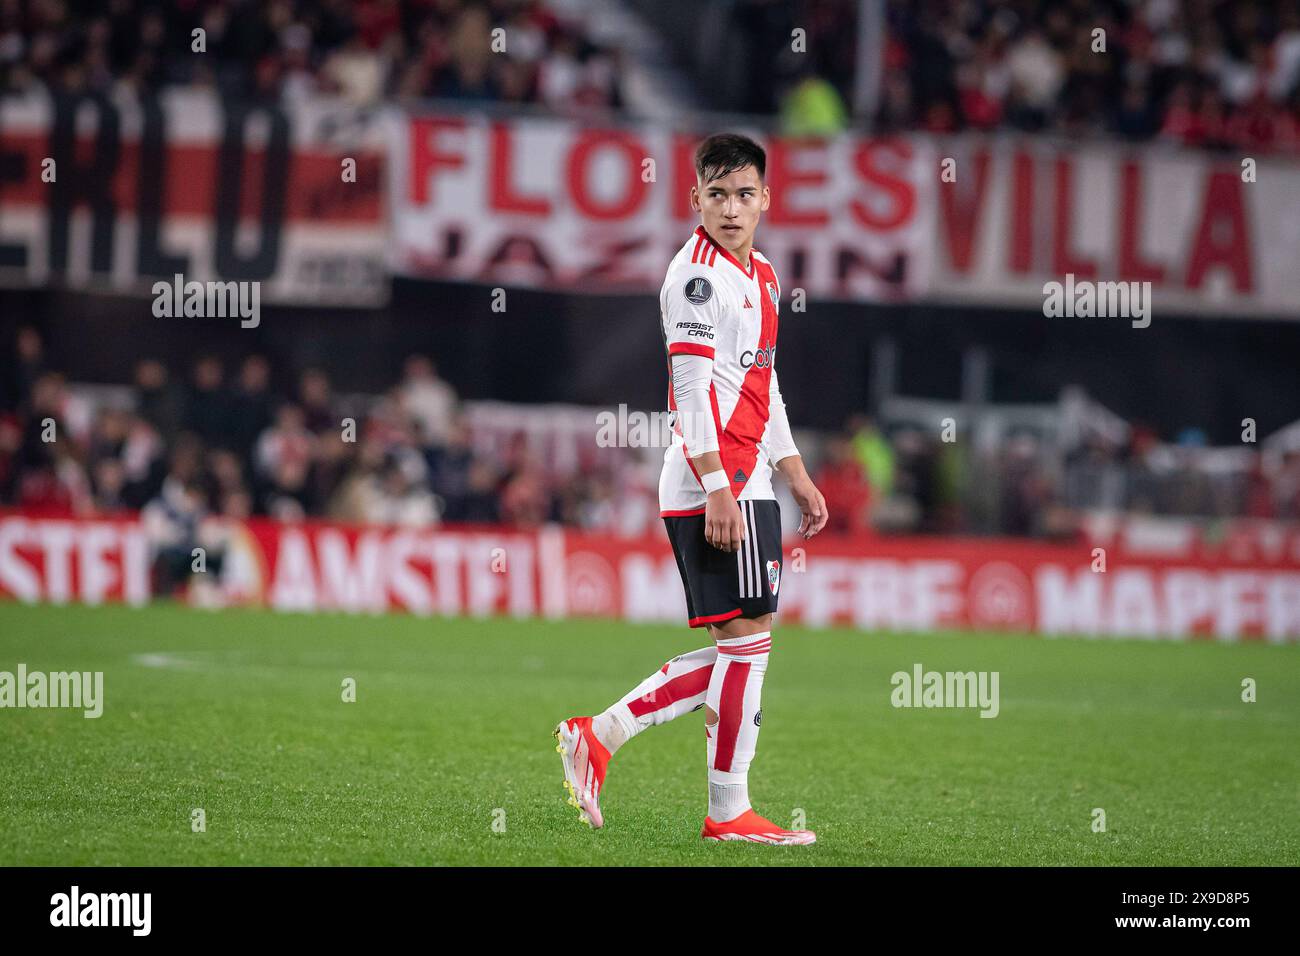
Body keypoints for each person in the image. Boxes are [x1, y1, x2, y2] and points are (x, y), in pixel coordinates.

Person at [554, 133, 828, 845]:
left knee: (745, 649)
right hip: (716, 481)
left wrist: (793, 471)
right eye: (717, 194)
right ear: (694, 199)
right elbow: (692, 388)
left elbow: (761, 386)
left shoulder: (762, 274)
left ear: (766, 198)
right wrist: (717, 487)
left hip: (751, 480)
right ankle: (724, 808)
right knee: (746, 649)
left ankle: (603, 735)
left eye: (744, 194)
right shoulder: (696, 277)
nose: (731, 208)